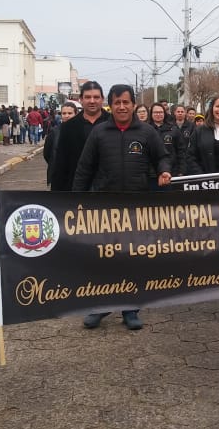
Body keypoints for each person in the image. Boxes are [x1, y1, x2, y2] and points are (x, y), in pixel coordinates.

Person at [73, 84, 172, 331]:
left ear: (133, 104)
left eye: (126, 102)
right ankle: (100, 306)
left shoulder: (147, 133)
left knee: (133, 259)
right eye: (116, 102)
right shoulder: (99, 133)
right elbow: (84, 169)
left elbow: (162, 157)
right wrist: (74, 202)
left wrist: (164, 170)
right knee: (105, 259)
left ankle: (131, 309)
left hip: (136, 207)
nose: (121, 107)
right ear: (111, 105)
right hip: (106, 208)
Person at [50, 81, 109, 192]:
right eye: (87, 97)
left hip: (109, 191)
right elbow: (61, 164)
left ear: (102, 99)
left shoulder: (113, 123)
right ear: (81, 100)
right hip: (76, 190)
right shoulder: (68, 127)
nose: (92, 101)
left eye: (96, 97)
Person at [43, 101, 78, 185]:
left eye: (70, 113)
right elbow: (47, 154)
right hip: (58, 176)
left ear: (76, 114)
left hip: (77, 177)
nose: (67, 116)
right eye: (64, 113)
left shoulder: (82, 131)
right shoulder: (54, 132)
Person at [150, 102, 186, 176]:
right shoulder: (146, 129)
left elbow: (181, 151)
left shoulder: (173, 129)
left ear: (164, 113)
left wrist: (181, 170)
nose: (158, 114)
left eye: (160, 112)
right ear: (151, 114)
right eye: (155, 112)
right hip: (151, 173)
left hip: (171, 171)